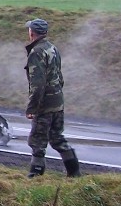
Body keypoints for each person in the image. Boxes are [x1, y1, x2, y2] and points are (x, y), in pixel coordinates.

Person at [23, 18, 81, 178]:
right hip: (57, 102)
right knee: (57, 138)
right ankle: (74, 172)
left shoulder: (36, 52)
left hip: (45, 105)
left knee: (37, 142)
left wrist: (32, 108)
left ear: (32, 33)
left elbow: (38, 84)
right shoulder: (53, 48)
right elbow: (60, 77)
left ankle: (35, 176)